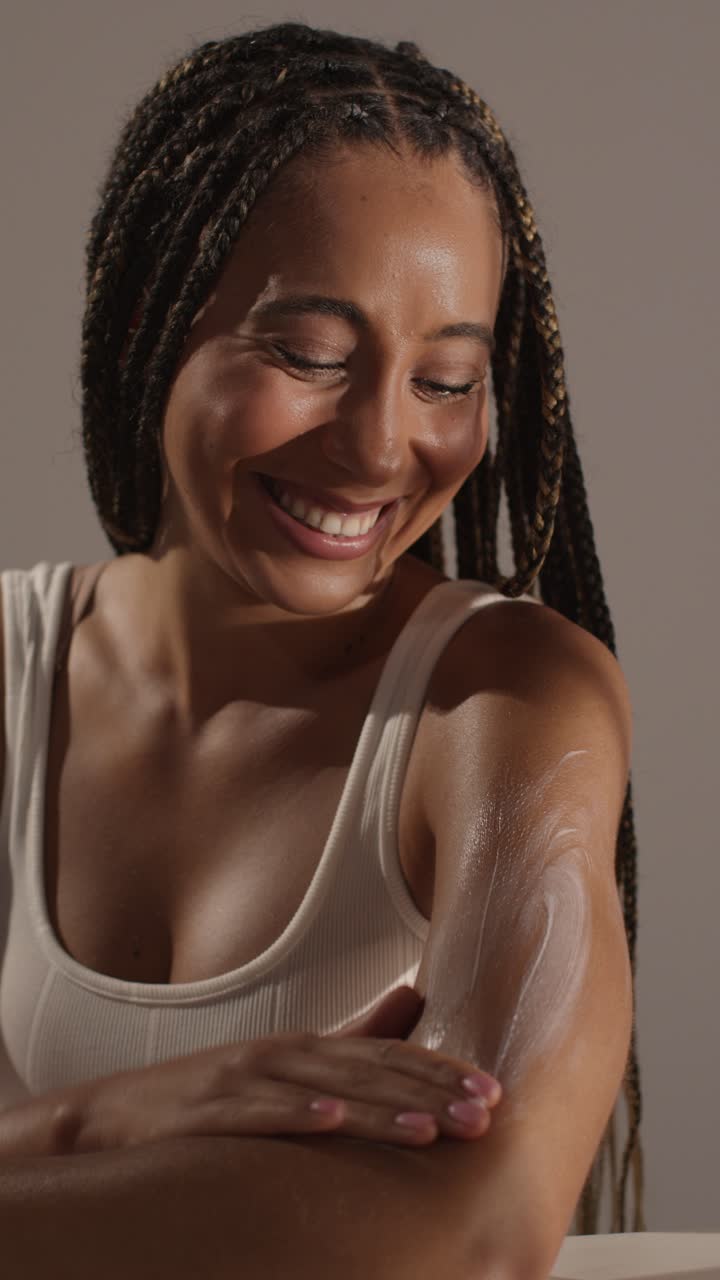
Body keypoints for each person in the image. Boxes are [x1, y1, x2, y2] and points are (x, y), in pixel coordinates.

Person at [0, 20, 644, 1277]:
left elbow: (475, 1229)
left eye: (447, 381)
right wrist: (107, 1113)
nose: (379, 448)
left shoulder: (505, 702)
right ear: (146, 319)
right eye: (310, 356)